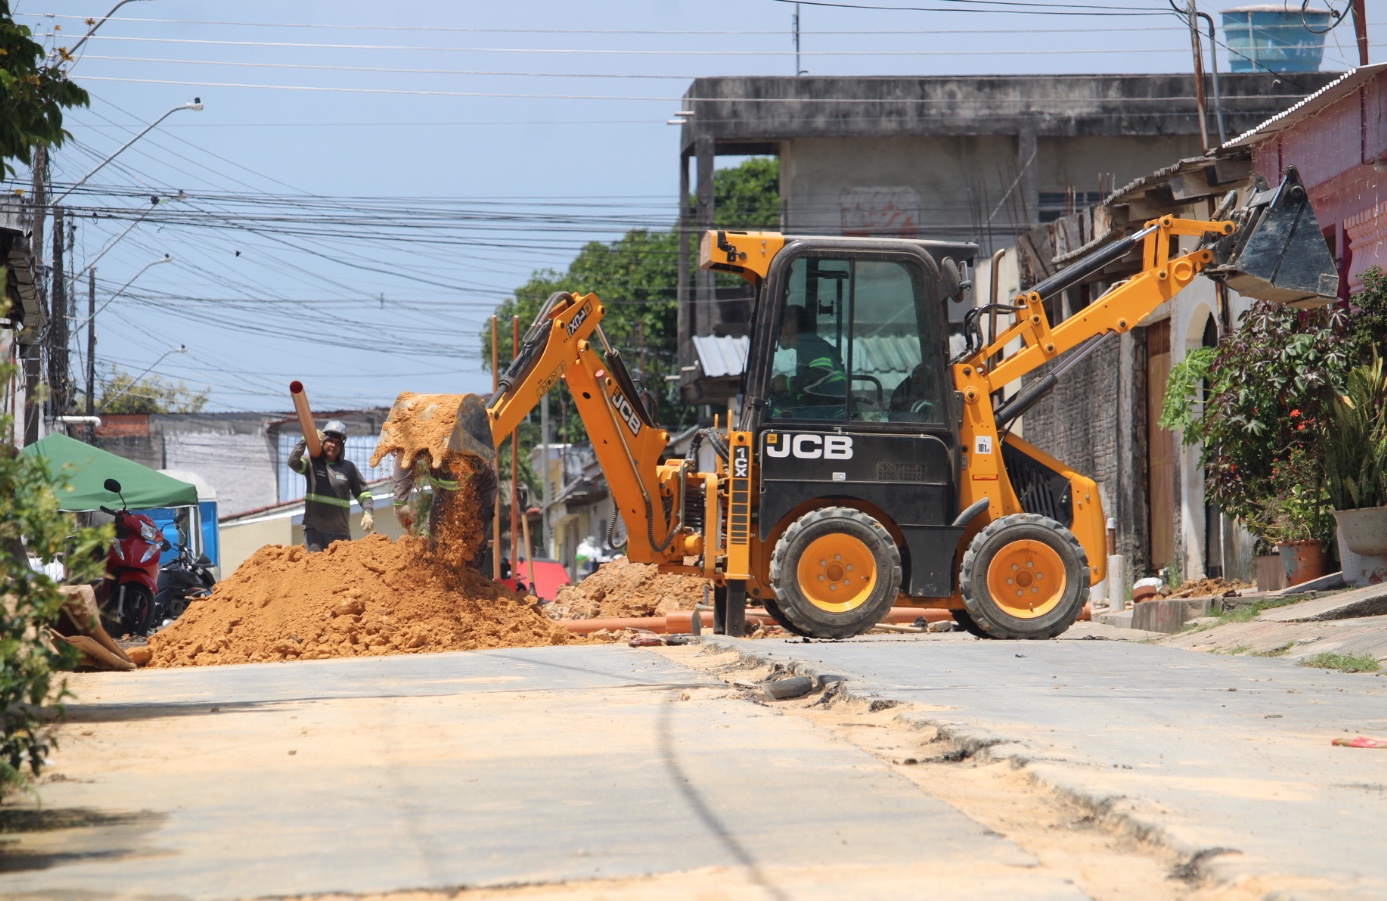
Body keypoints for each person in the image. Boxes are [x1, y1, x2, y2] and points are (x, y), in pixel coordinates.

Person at [391, 450, 498, 569]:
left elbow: (448, 500)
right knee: (435, 544)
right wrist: (400, 503)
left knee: (469, 546)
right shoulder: (424, 436)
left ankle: (470, 577)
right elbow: (405, 453)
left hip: (477, 490)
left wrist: (428, 533)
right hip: (443, 485)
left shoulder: (463, 457)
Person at [289, 420, 375, 552]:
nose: (333, 445)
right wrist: (305, 439)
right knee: (315, 570)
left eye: (338, 443)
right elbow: (293, 462)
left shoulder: (349, 468)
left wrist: (368, 513)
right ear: (323, 442)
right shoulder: (312, 463)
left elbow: (364, 494)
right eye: (330, 441)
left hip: (340, 534)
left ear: (342, 446)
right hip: (314, 533)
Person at [769, 304, 847, 417]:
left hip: (829, 409)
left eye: (779, 327)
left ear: (791, 325)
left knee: (776, 416)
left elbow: (822, 372)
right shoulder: (810, 345)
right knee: (780, 409)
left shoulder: (807, 342)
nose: (776, 334)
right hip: (827, 405)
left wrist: (787, 383)